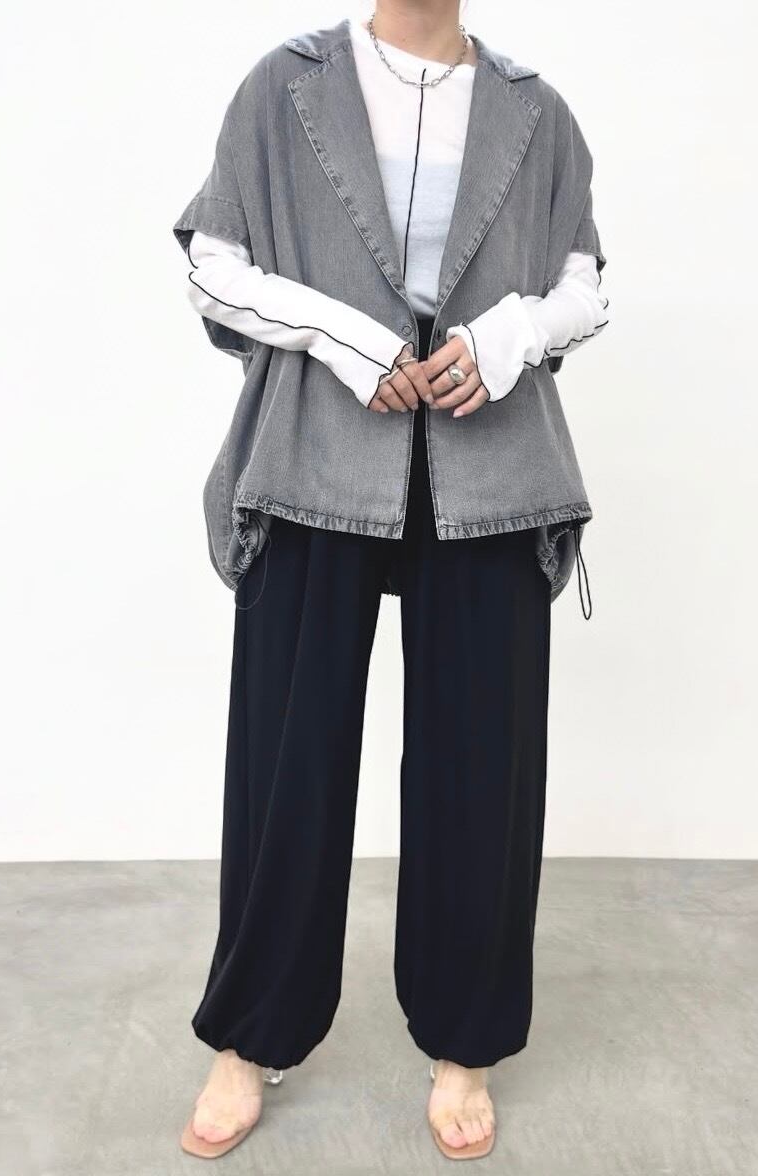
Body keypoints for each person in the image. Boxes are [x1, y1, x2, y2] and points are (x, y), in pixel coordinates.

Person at [172, 3, 608, 1161]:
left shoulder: (533, 111)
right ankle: (250, 1032)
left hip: (490, 459)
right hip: (315, 448)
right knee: (286, 761)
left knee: (482, 765)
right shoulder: (285, 86)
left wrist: (508, 337)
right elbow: (213, 264)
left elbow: (584, 284)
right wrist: (341, 336)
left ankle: (465, 1041)